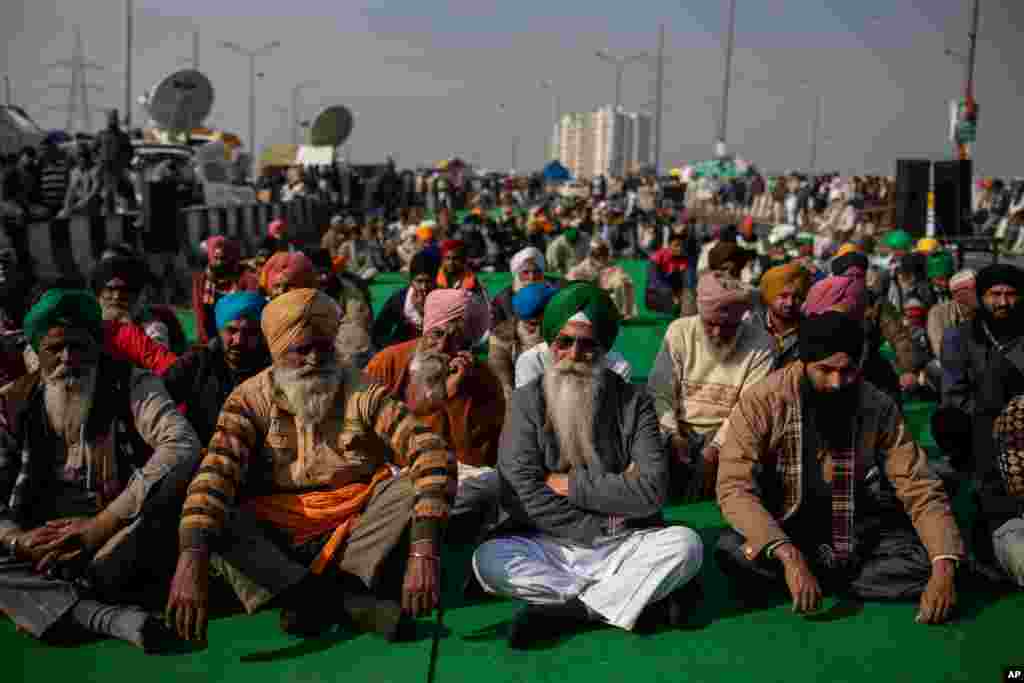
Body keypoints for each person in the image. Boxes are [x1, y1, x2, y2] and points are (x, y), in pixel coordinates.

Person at [165, 289, 457, 642]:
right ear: (277, 351)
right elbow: (216, 473)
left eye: (323, 346)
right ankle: (344, 603)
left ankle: (307, 598)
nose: (315, 359)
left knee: (413, 484)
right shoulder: (248, 399)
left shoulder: (360, 389)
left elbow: (429, 451)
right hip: (276, 537)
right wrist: (191, 556)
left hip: (355, 534)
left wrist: (422, 550)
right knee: (208, 508)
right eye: (301, 350)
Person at [472, 283, 704, 647]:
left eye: (587, 344)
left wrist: (572, 485)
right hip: (552, 541)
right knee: (489, 560)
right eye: (564, 342)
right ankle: (628, 601)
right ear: (551, 344)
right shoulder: (525, 402)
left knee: (686, 545)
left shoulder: (634, 403)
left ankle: (568, 612)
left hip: (622, 540)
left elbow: (652, 489)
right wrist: (608, 507)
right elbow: (520, 493)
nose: (574, 353)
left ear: (604, 348)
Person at [716, 312, 963, 624]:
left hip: (850, 525)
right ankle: (822, 573)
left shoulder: (876, 405)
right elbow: (734, 489)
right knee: (732, 551)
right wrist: (789, 556)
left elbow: (919, 487)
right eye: (825, 370)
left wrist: (943, 569)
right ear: (804, 363)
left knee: (932, 560)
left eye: (846, 371)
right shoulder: (762, 401)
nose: (836, 383)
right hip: (783, 521)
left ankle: (820, 575)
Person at [0, 289, 201, 650]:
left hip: (120, 532)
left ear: (96, 343)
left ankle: (53, 602)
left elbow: (182, 445)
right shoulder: (13, 400)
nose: (68, 358)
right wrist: (19, 539)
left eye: (78, 346)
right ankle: (107, 618)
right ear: (36, 352)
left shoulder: (132, 382)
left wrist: (101, 525)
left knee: (171, 502)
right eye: (55, 349)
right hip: (41, 539)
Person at [365, 289, 504, 526]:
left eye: (456, 339)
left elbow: (478, 458)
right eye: (436, 334)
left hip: (454, 479)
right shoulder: (387, 362)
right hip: (394, 474)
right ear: (424, 329)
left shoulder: (483, 378)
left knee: (490, 486)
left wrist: (454, 396)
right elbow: (363, 432)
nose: (443, 346)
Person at [647, 271, 774, 499]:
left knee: (740, 469)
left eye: (727, 326)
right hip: (680, 427)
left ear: (740, 320)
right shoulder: (680, 331)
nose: (717, 333)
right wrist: (672, 434)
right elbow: (660, 391)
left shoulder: (761, 344)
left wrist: (716, 447)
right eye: (710, 324)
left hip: (730, 431)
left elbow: (748, 408)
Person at [938, 264, 1024, 564]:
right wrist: (998, 420)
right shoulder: (959, 337)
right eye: (994, 294)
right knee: (945, 419)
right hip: (977, 422)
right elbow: (954, 395)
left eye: (1011, 294)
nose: (1003, 302)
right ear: (981, 297)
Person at [162, 292, 270, 445]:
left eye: (250, 332)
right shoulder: (198, 361)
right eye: (231, 331)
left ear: (261, 335)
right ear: (219, 330)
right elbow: (159, 397)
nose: (239, 340)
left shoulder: (270, 370)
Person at [91, 254, 187, 354]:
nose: (116, 297)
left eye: (125, 291)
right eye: (109, 290)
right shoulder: (91, 328)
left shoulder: (153, 328)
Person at [489, 282, 557, 400]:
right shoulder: (502, 336)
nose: (540, 330)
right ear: (520, 318)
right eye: (533, 324)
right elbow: (499, 369)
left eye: (546, 323)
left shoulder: (567, 332)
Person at [191, 236, 260, 346]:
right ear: (210, 257)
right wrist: (206, 340)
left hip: (238, 337)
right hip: (211, 337)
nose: (219, 263)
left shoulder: (244, 276)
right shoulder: (201, 280)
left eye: (223, 258)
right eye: (215, 258)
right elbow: (199, 312)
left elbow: (250, 307)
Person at [371, 251, 440, 350]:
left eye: (428, 281)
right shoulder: (399, 300)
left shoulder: (443, 299)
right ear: (411, 280)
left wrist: (422, 311)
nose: (424, 287)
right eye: (419, 281)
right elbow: (379, 333)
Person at [750, 262, 812, 370]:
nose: (790, 303)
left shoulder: (810, 330)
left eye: (796, 297)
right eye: (783, 296)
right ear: (769, 295)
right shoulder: (752, 326)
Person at [566, 237, 637, 320]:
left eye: (603, 251)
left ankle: (622, 314)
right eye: (598, 251)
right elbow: (571, 277)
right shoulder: (584, 266)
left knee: (625, 284)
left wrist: (620, 282)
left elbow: (620, 277)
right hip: (589, 298)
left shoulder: (611, 264)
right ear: (592, 252)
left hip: (607, 295)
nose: (601, 254)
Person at [491, 247, 551, 327]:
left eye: (536, 272)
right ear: (516, 274)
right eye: (525, 272)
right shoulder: (504, 299)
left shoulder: (550, 292)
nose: (532, 277)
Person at [927, 269, 977, 361]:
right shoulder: (938, 313)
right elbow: (940, 350)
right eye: (970, 290)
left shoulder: (986, 309)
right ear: (955, 295)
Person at [646, 231, 695, 316]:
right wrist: (672, 295)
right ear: (669, 245)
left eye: (682, 246)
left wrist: (684, 295)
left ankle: (681, 309)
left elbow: (689, 282)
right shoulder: (657, 257)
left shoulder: (686, 259)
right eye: (676, 245)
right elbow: (654, 282)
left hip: (677, 295)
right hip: (656, 295)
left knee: (690, 295)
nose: (679, 249)